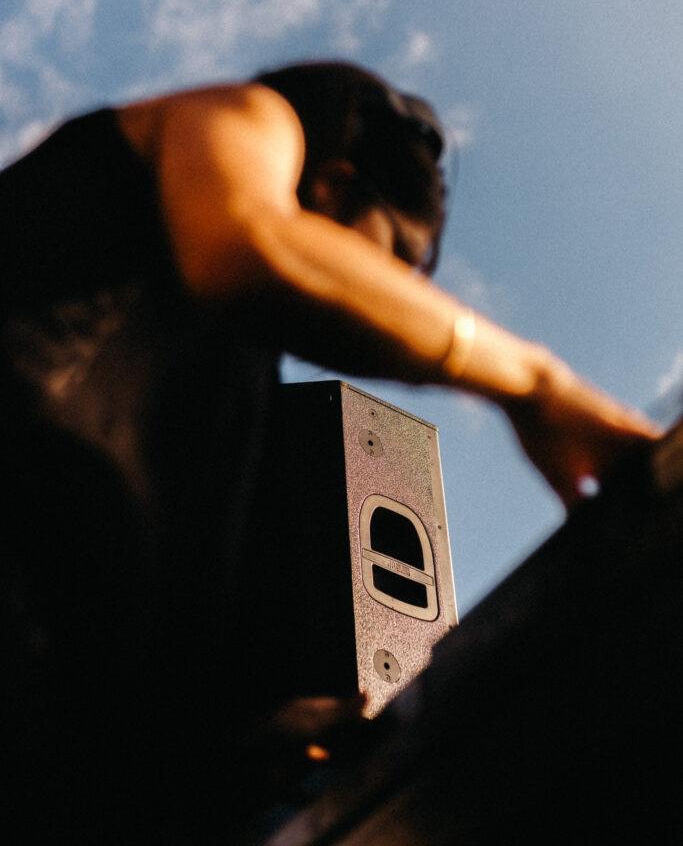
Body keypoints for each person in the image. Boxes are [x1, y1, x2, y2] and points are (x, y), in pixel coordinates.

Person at [0, 60, 658, 841]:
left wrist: (250, 743)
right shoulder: (244, 117)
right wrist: (535, 384)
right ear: (333, 182)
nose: (378, 301)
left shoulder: (217, 404)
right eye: (384, 265)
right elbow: (244, 245)